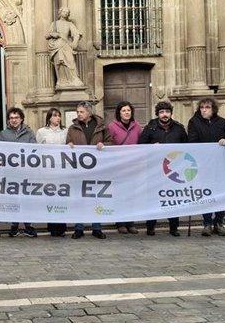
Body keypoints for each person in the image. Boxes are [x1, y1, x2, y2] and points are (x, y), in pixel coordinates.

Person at [139, 101, 187, 236]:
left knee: (173, 198)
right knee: (153, 198)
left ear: (171, 113)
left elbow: (187, 146)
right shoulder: (150, 128)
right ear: (157, 114)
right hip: (154, 169)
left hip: (173, 169)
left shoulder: (179, 128)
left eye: (167, 112)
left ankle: (174, 227)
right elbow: (141, 145)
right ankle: (150, 226)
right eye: (161, 112)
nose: (164, 114)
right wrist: (152, 147)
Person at [187, 98, 225, 237]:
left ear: (213, 109)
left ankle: (219, 222)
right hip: (204, 164)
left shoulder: (222, 122)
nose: (204, 110)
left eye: (207, 107)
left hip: (220, 164)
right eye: (202, 107)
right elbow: (192, 141)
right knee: (206, 193)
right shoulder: (194, 122)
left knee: (221, 193)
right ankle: (207, 223)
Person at [67, 101, 112, 239]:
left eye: (81, 112)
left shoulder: (101, 127)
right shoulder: (73, 128)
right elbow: (67, 143)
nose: (79, 114)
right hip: (79, 168)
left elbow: (110, 142)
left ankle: (97, 228)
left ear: (89, 112)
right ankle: (78, 228)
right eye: (77, 112)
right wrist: (69, 144)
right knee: (79, 198)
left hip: (97, 168)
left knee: (96, 198)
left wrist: (103, 144)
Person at [0, 107, 38, 238]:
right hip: (11, 172)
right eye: (11, 118)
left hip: (26, 171)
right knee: (13, 199)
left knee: (27, 199)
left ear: (21, 119)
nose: (14, 120)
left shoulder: (29, 132)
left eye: (16, 117)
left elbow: (34, 149)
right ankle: (14, 225)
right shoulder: (4, 134)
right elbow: (1, 152)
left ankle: (28, 225)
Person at [107, 101, 141, 235]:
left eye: (128, 110)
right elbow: (108, 143)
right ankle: (120, 222)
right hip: (119, 166)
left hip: (133, 166)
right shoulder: (112, 127)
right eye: (123, 110)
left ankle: (130, 222)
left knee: (131, 195)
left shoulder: (137, 126)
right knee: (120, 194)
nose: (126, 113)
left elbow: (142, 143)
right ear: (119, 113)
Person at [36, 108, 68, 237]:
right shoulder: (41, 132)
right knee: (50, 196)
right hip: (48, 169)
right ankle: (52, 226)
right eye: (55, 116)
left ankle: (62, 226)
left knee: (62, 196)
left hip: (62, 168)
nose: (58, 118)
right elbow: (37, 150)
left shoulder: (65, 131)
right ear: (49, 118)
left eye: (59, 116)